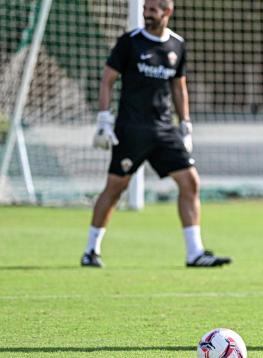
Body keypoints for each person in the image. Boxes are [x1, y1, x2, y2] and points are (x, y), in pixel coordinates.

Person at [81, 0, 231, 268]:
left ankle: (194, 253)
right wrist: (104, 119)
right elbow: (107, 80)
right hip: (132, 130)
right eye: (145, 8)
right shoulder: (129, 42)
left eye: (152, 9)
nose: (146, 13)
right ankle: (91, 250)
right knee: (116, 188)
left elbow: (179, 87)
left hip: (164, 131)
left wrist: (185, 124)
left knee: (190, 183)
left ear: (167, 12)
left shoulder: (177, 45)